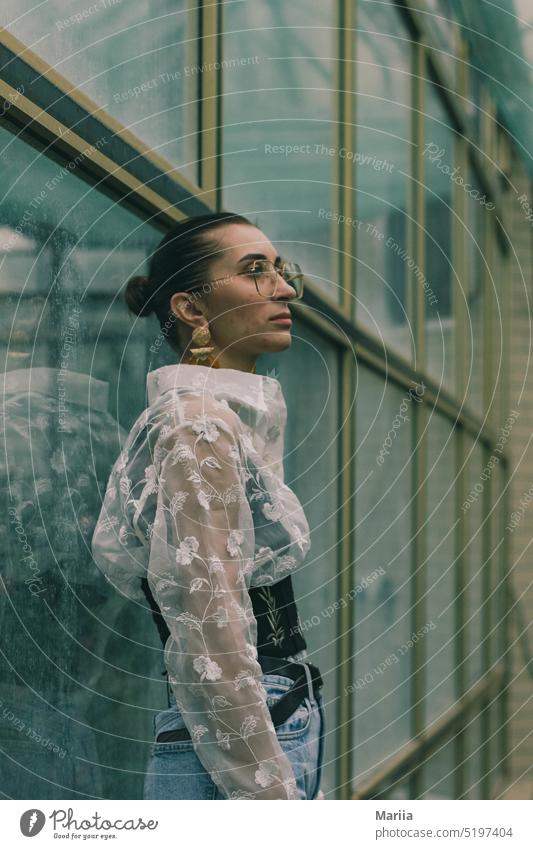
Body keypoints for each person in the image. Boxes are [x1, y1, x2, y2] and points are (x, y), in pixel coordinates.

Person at [91, 212, 326, 800]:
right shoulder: (199, 425)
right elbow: (207, 627)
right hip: (240, 738)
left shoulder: (221, 418)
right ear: (191, 309)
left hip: (266, 719)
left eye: (280, 269)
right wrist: (269, 796)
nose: (285, 287)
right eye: (254, 271)